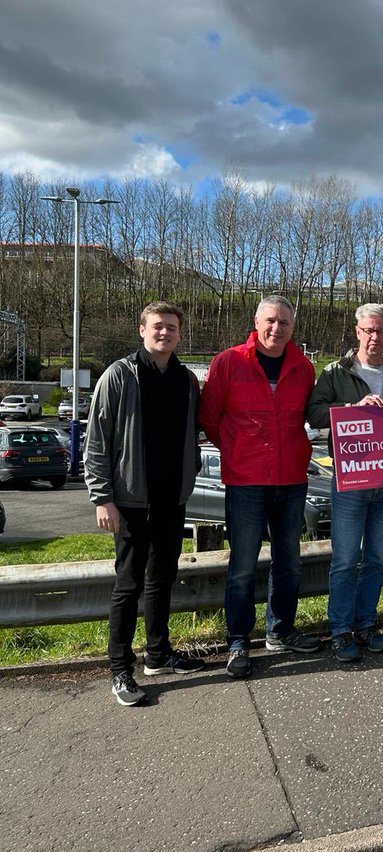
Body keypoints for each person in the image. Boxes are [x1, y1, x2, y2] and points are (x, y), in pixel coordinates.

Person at [84, 302, 205, 706]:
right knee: (128, 585)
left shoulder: (187, 380)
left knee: (162, 579)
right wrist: (102, 497)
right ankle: (120, 669)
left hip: (172, 499)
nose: (165, 333)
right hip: (131, 501)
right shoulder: (119, 376)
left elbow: (192, 436)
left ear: (179, 334)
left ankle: (158, 655)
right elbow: (97, 441)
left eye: (171, 328)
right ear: (141, 330)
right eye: (158, 326)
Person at [198, 294, 320, 679]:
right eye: (270, 320)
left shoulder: (304, 368)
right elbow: (209, 417)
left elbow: (310, 416)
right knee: (242, 566)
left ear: (292, 327)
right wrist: (237, 451)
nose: (276, 328)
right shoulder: (229, 362)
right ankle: (237, 642)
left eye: (283, 322)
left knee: (289, 563)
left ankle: (280, 631)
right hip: (246, 481)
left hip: (292, 480)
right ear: (256, 322)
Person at [306, 303, 383, 662]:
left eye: (380, 330)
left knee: (377, 560)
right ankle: (340, 631)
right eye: (368, 330)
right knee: (345, 559)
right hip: (350, 479)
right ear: (357, 332)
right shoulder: (336, 372)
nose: (374, 336)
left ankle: (366, 623)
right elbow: (315, 413)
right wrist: (354, 408)